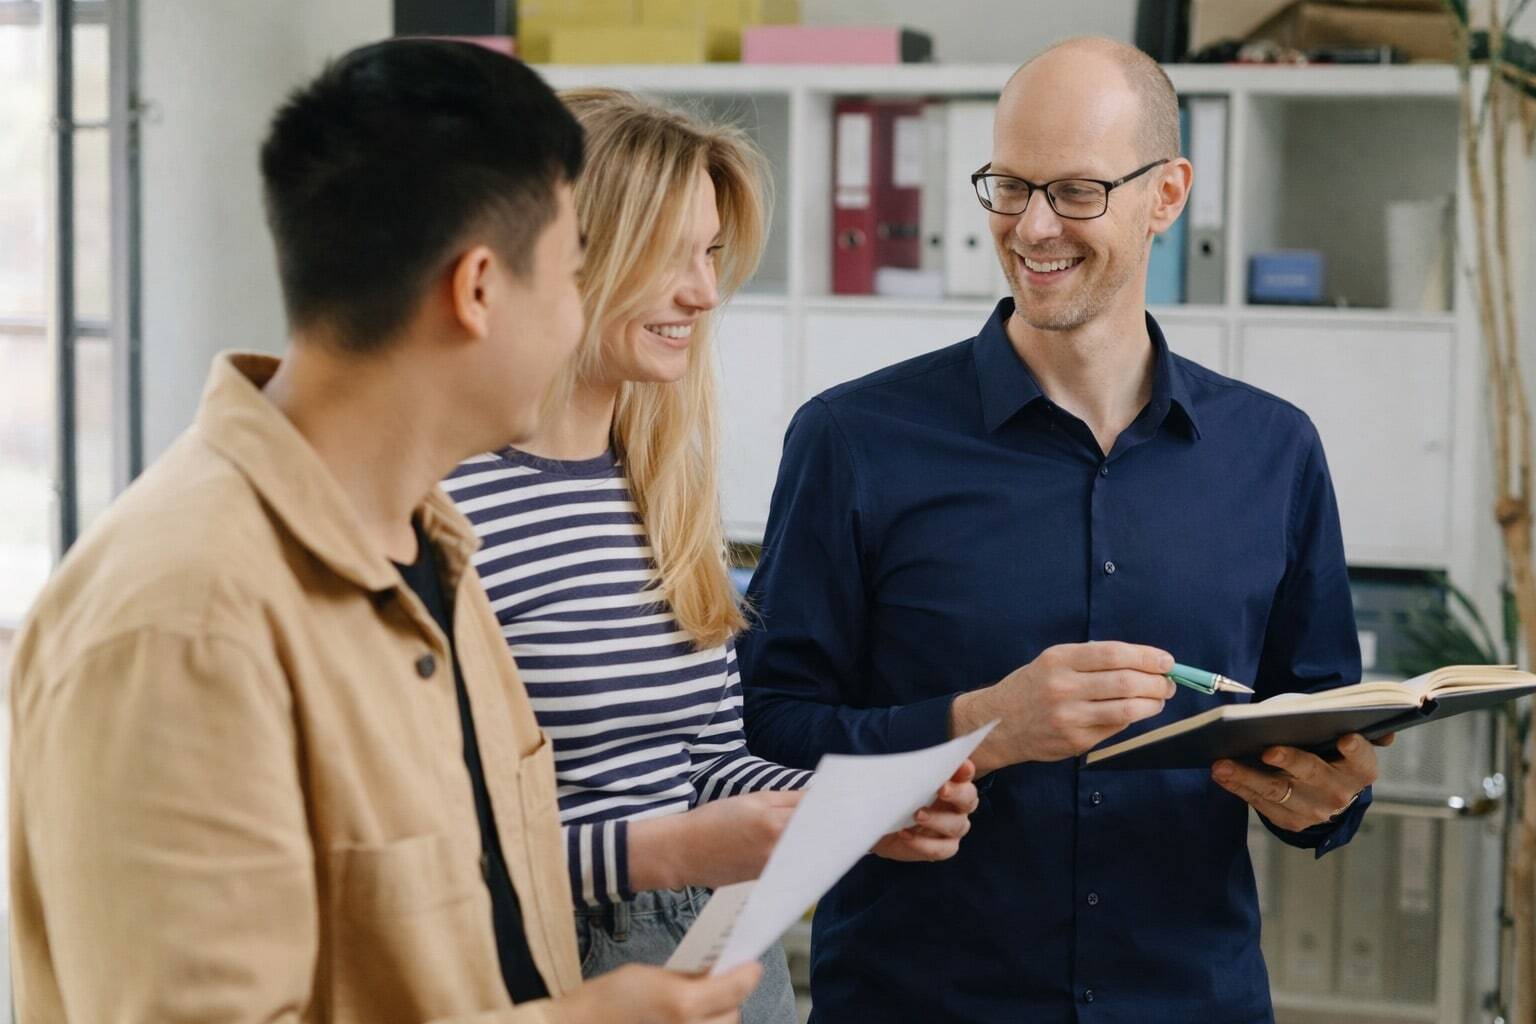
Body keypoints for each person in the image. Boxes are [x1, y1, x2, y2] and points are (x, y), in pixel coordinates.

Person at [8, 40, 759, 1024]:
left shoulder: (429, 548)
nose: (584, 317)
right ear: (478, 289)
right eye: (574, 273)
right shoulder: (180, 616)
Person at [739, 36, 1390, 1023]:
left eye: (1076, 192)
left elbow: (1315, 726)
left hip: (1188, 1001)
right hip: (920, 1002)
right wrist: (981, 725)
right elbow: (766, 733)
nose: (1032, 226)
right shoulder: (853, 440)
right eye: (1009, 186)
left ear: (1167, 196)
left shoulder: (1274, 452)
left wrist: (1330, 803)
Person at [443, 89, 979, 1023]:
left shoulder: (659, 487)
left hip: (730, 969)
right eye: (669, 256)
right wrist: (673, 850)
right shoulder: (449, 510)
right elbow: (435, 852)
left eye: (712, 254)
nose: (702, 292)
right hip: (559, 977)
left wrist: (839, 810)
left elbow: (703, 762)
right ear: (570, 256)